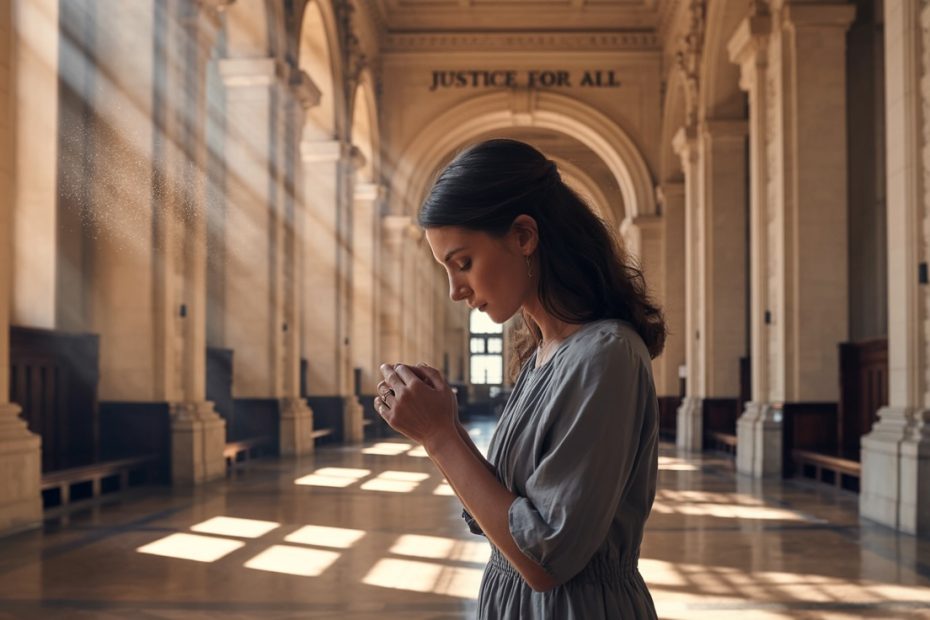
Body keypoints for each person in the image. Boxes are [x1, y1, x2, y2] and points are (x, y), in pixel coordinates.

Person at [373, 138, 664, 619]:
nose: (455, 290)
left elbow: (546, 558)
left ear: (524, 236)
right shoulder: (544, 355)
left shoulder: (604, 354)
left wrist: (440, 436)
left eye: (462, 262)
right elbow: (510, 516)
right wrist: (442, 426)